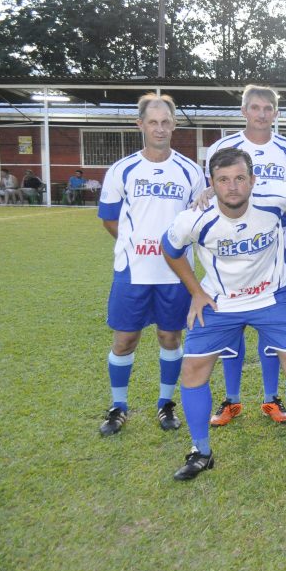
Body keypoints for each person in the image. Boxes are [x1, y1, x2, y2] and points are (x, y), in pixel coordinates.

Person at [161, 148, 286, 479]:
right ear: (211, 184)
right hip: (220, 302)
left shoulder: (275, 196)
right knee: (193, 370)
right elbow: (170, 249)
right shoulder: (194, 217)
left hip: (273, 297)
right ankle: (201, 451)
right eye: (223, 180)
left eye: (240, 178)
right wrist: (196, 291)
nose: (233, 186)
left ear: (253, 179)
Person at [95, 94, 206, 436]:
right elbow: (109, 219)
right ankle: (118, 406)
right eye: (153, 122)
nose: (160, 128)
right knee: (125, 339)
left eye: (166, 122)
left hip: (175, 273)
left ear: (174, 125)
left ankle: (165, 403)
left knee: (170, 336)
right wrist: (137, 245)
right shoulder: (122, 170)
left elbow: (196, 220)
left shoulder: (191, 171)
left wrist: (168, 250)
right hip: (133, 271)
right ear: (140, 124)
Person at [203, 85, 286, 429]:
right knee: (230, 324)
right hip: (228, 251)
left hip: (273, 250)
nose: (262, 114)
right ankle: (231, 399)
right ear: (244, 111)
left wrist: (271, 219)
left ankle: (271, 397)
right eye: (255, 108)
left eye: (268, 108)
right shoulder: (223, 147)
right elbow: (210, 194)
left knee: (270, 325)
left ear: (276, 113)